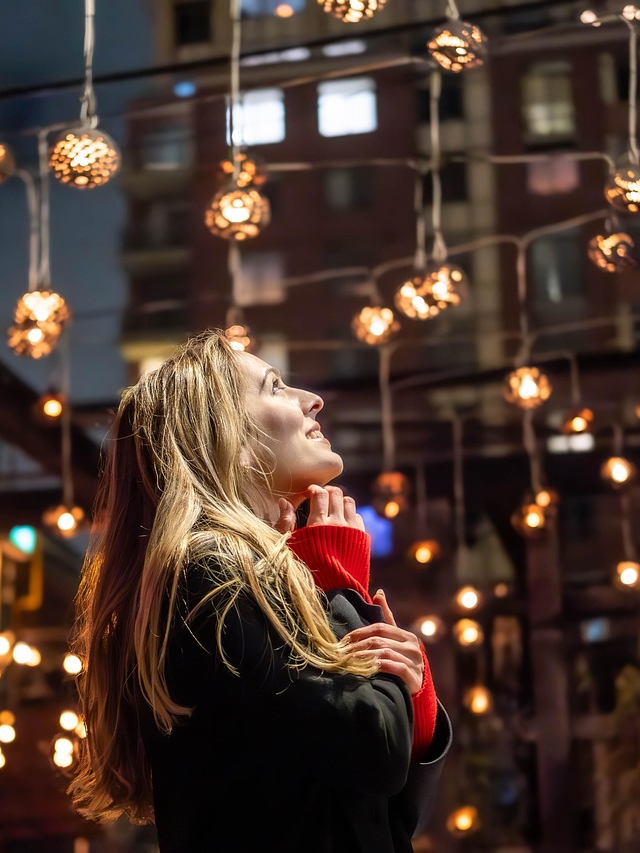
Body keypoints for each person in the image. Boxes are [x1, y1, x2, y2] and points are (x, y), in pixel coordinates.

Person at [69, 331, 451, 852]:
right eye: (275, 388)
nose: (311, 399)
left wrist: (414, 690)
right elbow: (374, 749)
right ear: (228, 440)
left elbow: (376, 815)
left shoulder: (238, 575)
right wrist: (338, 583)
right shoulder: (210, 574)